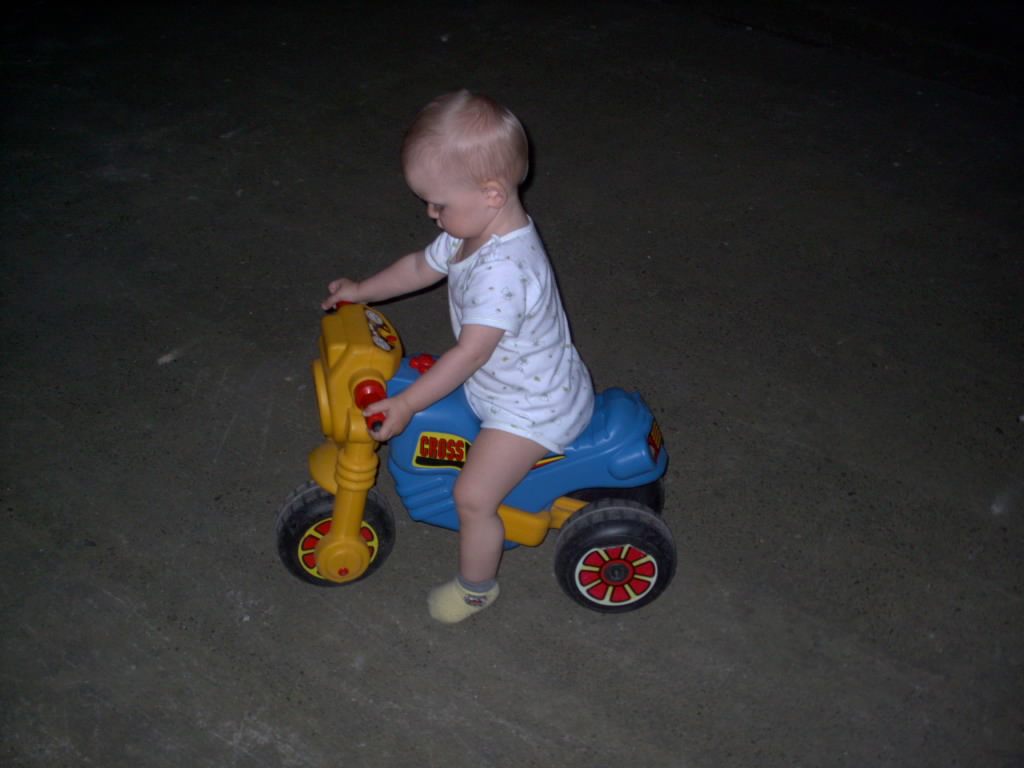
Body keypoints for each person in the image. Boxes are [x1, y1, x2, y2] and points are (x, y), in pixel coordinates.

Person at [322, 89, 594, 623]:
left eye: (439, 204)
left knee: (473, 497)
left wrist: (405, 406)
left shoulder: (503, 272)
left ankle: (477, 588)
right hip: (508, 380)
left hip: (531, 407)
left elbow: (469, 355)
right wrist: (361, 291)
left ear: (491, 193)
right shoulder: (471, 231)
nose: (430, 213)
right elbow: (418, 268)